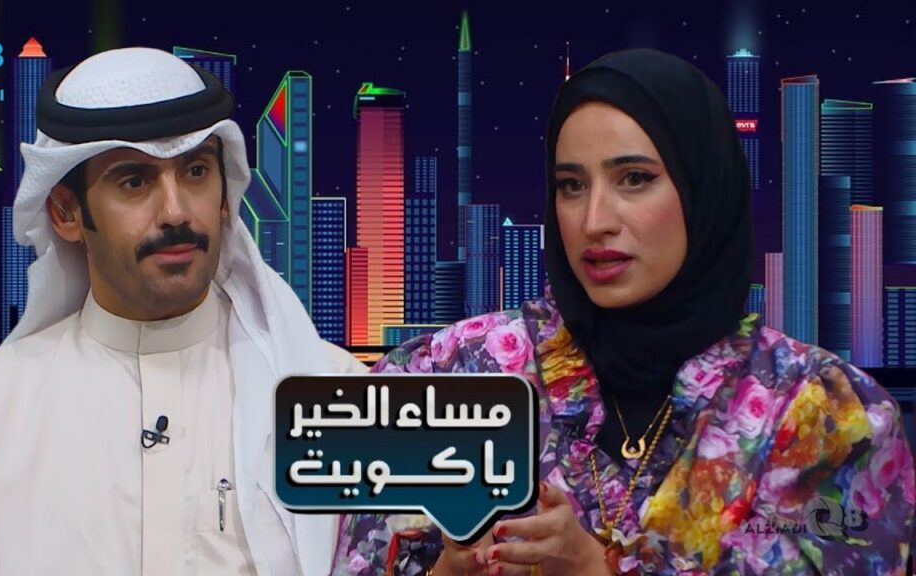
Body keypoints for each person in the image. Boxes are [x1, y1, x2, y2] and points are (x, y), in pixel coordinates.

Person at [331, 48, 915, 576]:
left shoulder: (827, 417)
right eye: (571, 185)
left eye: (634, 179)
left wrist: (593, 570)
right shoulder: (445, 375)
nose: (595, 221)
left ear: (703, 188)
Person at [0, 47, 366, 576]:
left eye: (195, 171)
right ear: (66, 212)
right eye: (134, 181)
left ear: (225, 196)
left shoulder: (342, 399)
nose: (176, 212)